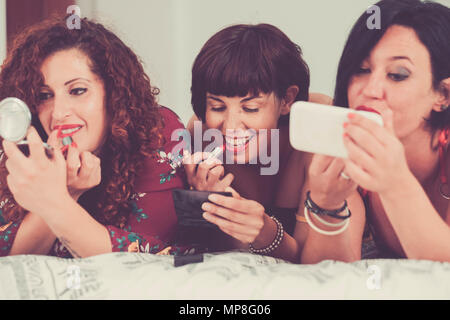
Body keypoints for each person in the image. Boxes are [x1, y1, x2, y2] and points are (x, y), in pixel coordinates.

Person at [0, 16, 190, 258]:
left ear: (113, 93)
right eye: (44, 95)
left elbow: (145, 257)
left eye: (77, 90)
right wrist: (67, 191)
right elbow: (14, 263)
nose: (58, 113)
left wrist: (53, 200)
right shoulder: (27, 148)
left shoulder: (157, 130)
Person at [299, 0, 450, 263]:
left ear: (443, 94)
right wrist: (328, 205)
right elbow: (329, 273)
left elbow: (442, 270)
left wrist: (395, 183)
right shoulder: (346, 154)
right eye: (361, 70)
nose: (370, 90)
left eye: (398, 74)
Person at [184, 23, 331, 261]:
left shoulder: (316, 130)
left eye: (250, 108)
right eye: (218, 106)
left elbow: (312, 263)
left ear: (287, 99)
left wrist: (265, 231)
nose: (230, 126)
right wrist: (204, 205)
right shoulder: (200, 135)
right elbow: (221, 251)